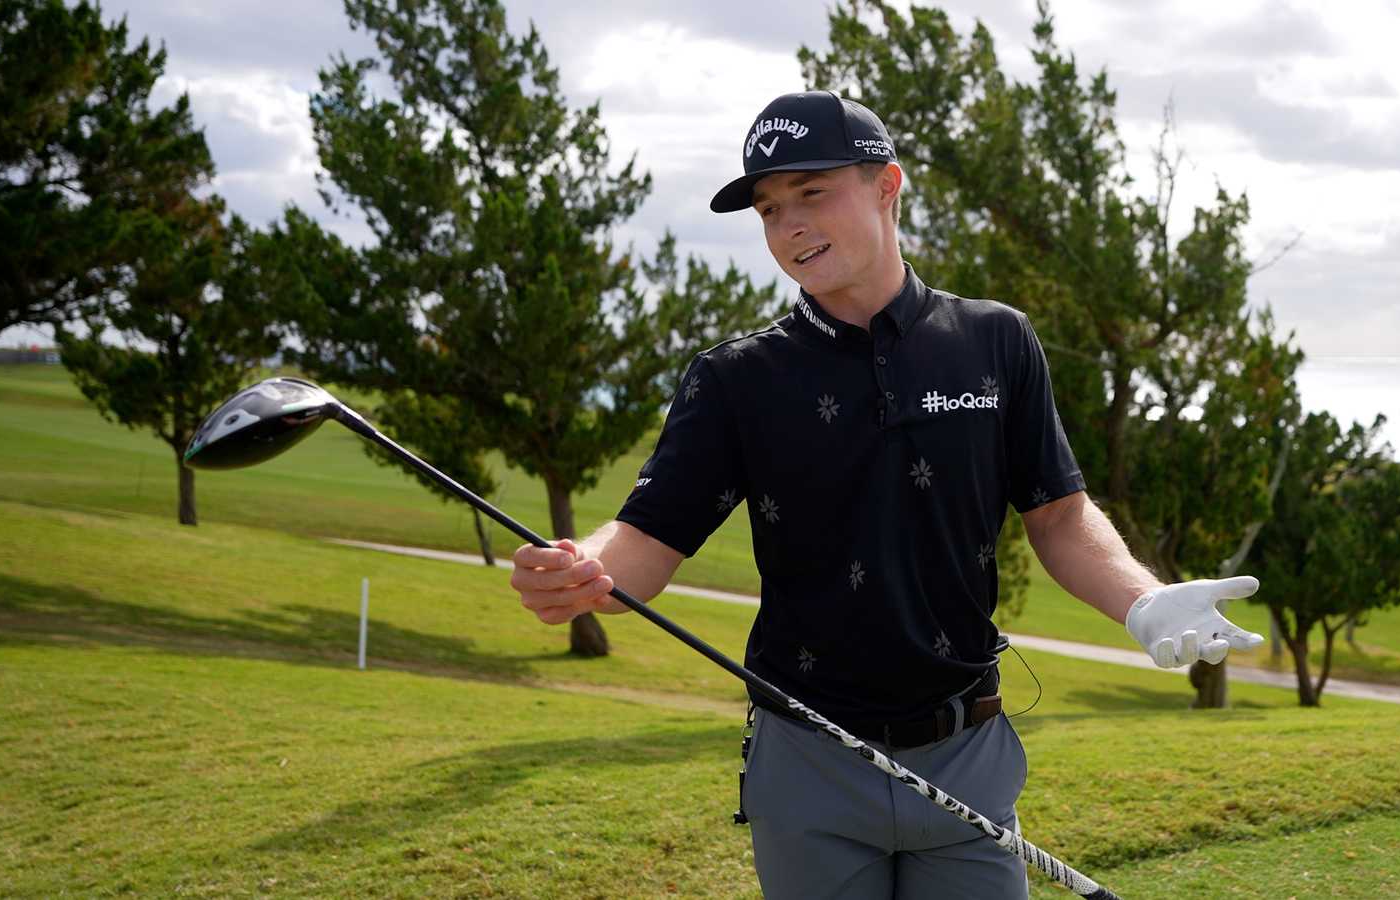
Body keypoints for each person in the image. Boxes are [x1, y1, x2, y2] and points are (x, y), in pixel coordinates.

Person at [511, 91, 1265, 899]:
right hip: (807, 762)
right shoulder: (736, 378)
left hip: (966, 747)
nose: (788, 225)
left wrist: (1142, 601)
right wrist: (577, 567)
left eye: (812, 193)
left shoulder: (995, 341)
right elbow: (643, 544)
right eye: (768, 209)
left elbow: (1058, 512)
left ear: (887, 186)